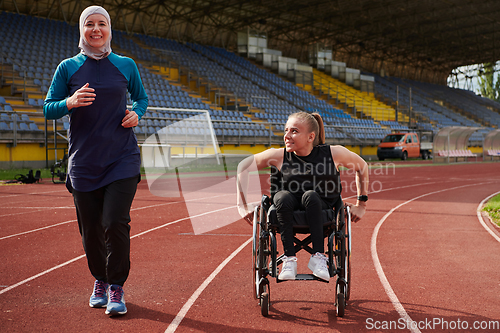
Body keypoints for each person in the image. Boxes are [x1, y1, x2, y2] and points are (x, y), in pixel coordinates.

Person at [43, 5, 148, 316]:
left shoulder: (126, 65)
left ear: (109, 30)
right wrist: (69, 102)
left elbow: (141, 98)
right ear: (81, 30)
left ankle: (116, 286)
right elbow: (48, 107)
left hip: (122, 158)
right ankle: (100, 279)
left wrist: (136, 114)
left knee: (115, 222)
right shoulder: (67, 68)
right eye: (90, 24)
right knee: (90, 228)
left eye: (102, 23)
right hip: (84, 161)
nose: (96, 29)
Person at [237, 111, 368, 281]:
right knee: (283, 197)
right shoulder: (278, 156)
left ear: (311, 136)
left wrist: (361, 204)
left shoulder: (333, 154)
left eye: (294, 131)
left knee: (311, 196)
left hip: (321, 211)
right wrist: (241, 205)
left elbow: (362, 166)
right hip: (285, 211)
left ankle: (318, 257)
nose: (287, 136)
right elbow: (243, 166)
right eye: (286, 130)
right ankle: (289, 259)